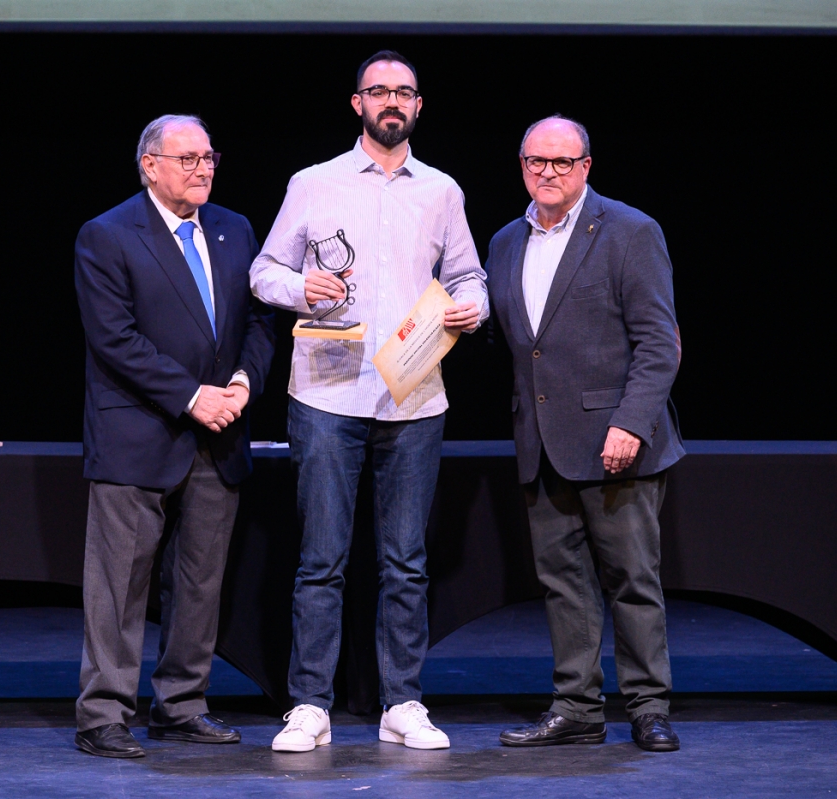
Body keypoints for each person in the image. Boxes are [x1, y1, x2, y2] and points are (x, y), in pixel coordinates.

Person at [250, 50, 487, 752]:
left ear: (418, 107)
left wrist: (470, 309)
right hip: (327, 392)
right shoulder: (314, 183)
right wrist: (302, 289)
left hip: (414, 393)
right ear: (357, 103)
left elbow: (470, 277)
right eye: (379, 90)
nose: (392, 101)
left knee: (405, 558)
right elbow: (265, 271)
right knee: (321, 556)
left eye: (404, 92)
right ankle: (310, 703)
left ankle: (402, 701)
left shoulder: (441, 191)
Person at [72, 114, 275, 758]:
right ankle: (104, 712)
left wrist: (243, 382)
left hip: (222, 433)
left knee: (200, 580)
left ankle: (181, 704)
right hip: (140, 434)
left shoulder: (234, 228)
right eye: (187, 158)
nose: (202, 168)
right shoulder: (107, 235)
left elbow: (261, 319)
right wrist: (192, 397)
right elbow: (115, 340)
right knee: (119, 584)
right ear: (149, 166)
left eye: (209, 156)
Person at [486, 116, 684, 752]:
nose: (548, 172)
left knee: (632, 580)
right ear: (522, 165)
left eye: (562, 163)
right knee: (563, 585)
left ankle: (648, 707)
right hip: (541, 442)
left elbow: (660, 342)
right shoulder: (504, 243)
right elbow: (523, 344)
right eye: (536, 161)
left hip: (615, 442)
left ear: (586, 167)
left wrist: (631, 421)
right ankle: (577, 707)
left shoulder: (630, 231)